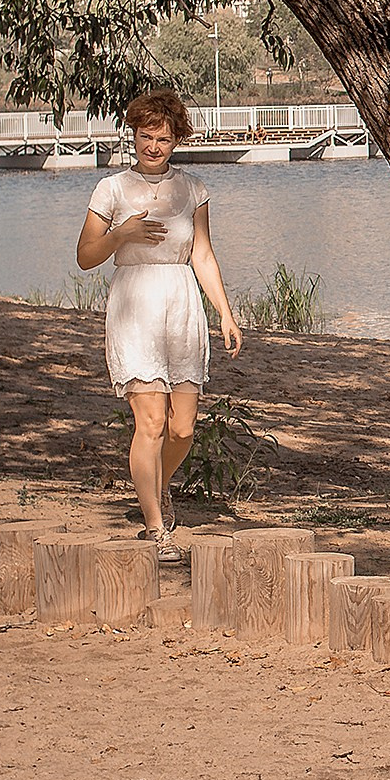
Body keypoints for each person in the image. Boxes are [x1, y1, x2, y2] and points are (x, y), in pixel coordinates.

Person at [76, 90, 241, 562]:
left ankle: (157, 485)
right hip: (134, 304)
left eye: (163, 138)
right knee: (149, 422)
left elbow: (203, 254)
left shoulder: (193, 190)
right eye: (145, 136)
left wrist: (225, 312)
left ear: (177, 140)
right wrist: (121, 233)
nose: (153, 146)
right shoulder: (111, 189)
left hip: (182, 302)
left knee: (183, 429)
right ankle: (154, 527)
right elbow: (86, 257)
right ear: (132, 134)